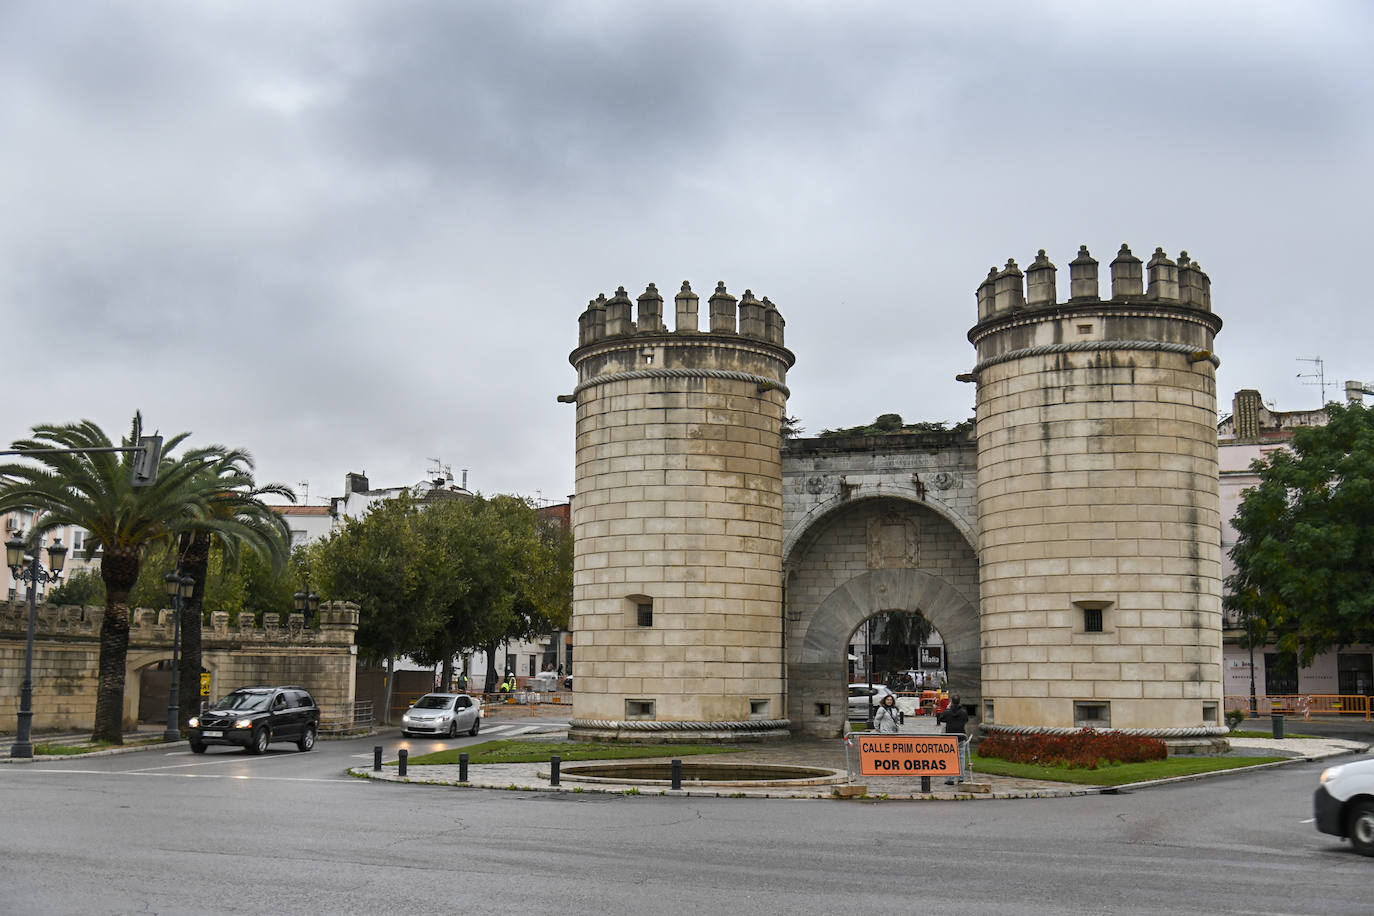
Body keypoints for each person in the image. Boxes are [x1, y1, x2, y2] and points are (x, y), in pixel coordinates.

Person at [936, 691, 970, 785]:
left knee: (951, 758)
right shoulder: (963, 712)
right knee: (962, 758)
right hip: (961, 737)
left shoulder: (948, 712)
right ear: (959, 702)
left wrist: (947, 708)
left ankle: (951, 778)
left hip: (950, 737)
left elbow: (941, 719)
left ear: (951, 702)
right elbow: (966, 720)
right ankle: (961, 777)